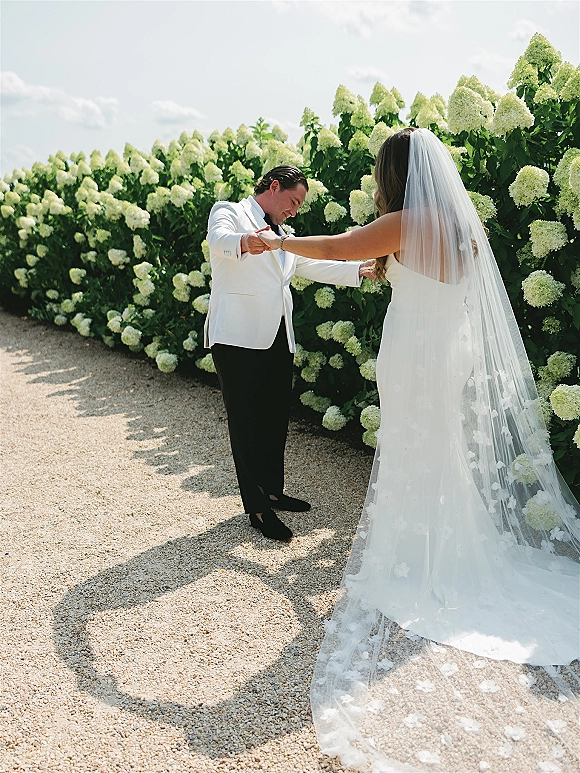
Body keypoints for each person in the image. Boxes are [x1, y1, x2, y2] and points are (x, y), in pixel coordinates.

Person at [259, 129, 580, 771]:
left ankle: (421, 560)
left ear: (396, 173)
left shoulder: (405, 221)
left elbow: (341, 246)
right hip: (450, 356)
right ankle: (442, 547)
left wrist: (277, 240)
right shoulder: (464, 227)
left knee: (415, 451)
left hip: (415, 356)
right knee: (442, 454)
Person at [205, 165, 375, 543]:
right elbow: (219, 241)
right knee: (245, 424)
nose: (296, 210)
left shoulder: (285, 234)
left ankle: (273, 492)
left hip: (279, 336)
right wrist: (245, 242)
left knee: (274, 418)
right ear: (275, 186)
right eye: (294, 201)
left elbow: (311, 264)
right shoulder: (229, 211)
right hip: (237, 337)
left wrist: (358, 270)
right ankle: (258, 510)